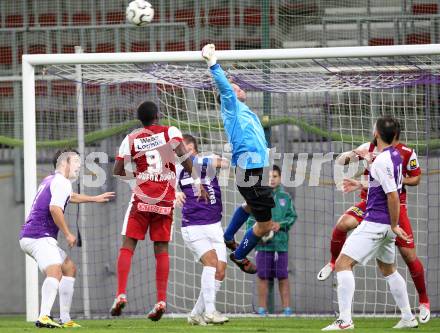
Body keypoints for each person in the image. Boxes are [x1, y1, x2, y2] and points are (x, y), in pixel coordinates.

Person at [317, 121, 430, 323]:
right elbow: (343, 161)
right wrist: (357, 165)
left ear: (378, 133)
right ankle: (407, 317)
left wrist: (395, 222)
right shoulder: (382, 154)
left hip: (385, 213)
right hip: (373, 206)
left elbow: (396, 191)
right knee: (385, 265)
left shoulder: (397, 155)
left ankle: (345, 321)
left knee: (403, 257)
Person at [110, 101, 207, 321]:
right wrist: (197, 181)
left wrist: (137, 182)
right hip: (165, 199)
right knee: (161, 248)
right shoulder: (169, 131)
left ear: (140, 120)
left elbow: (117, 170)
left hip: (142, 198)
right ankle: (161, 300)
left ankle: (121, 294)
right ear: (158, 115)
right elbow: (183, 155)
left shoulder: (131, 139)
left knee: (128, 245)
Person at [19, 149, 115, 328]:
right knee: (55, 271)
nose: (79, 166)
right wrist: (68, 233)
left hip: (33, 236)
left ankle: (65, 318)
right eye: (76, 161)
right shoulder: (62, 182)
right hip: (39, 236)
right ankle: (44, 316)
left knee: (69, 268)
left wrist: (94, 198)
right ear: (64, 163)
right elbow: (55, 209)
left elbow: (71, 197)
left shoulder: (52, 180)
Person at [202, 43, 275, 274]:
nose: (239, 88)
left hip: (256, 169)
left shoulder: (242, 110)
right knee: (265, 225)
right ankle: (240, 255)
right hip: (251, 172)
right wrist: (213, 63)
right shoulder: (230, 105)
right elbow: (224, 88)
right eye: (235, 87)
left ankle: (228, 235)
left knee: (250, 206)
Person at [175, 134, 230, 325]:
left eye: (184, 149)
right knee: (211, 262)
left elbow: (223, 163)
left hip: (214, 225)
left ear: (192, 148)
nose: (180, 153)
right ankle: (210, 311)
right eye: (179, 150)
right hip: (193, 225)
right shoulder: (176, 169)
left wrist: (200, 160)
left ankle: (195, 314)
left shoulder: (204, 161)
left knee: (220, 271)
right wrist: (175, 193)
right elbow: (166, 189)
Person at [245, 165, 297, 316]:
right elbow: (250, 221)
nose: (272, 179)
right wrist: (261, 230)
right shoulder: (257, 198)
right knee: (262, 276)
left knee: (283, 276)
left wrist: (280, 225)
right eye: (268, 177)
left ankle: (287, 309)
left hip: (281, 244)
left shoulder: (285, 198)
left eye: (275, 176)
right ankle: (262, 309)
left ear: (280, 178)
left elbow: (292, 217)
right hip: (263, 246)